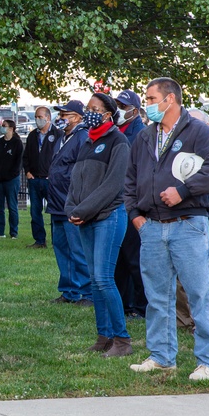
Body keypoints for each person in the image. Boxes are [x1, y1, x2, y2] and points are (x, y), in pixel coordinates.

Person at [125, 77, 209, 379]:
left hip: (188, 225)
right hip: (152, 228)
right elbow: (129, 179)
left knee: (200, 294)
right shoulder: (146, 136)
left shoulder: (198, 131)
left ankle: (208, 362)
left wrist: (184, 190)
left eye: (151, 98)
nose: (148, 104)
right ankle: (161, 357)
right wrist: (136, 217)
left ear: (169, 99)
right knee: (157, 297)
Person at [66, 93, 132, 357]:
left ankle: (122, 340)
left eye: (94, 109)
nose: (88, 112)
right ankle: (103, 336)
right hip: (85, 218)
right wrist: (72, 209)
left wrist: (84, 210)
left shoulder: (119, 141)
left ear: (107, 114)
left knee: (104, 279)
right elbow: (76, 181)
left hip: (108, 216)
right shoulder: (87, 142)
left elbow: (113, 185)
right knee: (94, 281)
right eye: (87, 108)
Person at [48, 100, 92, 305]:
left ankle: (87, 292)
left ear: (78, 117)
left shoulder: (82, 137)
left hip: (71, 201)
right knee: (62, 249)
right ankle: (69, 290)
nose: (61, 118)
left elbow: (82, 170)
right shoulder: (62, 138)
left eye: (65, 114)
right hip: (57, 203)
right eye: (60, 114)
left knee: (78, 250)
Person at [113, 90, 147, 318]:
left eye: (123, 106)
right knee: (120, 259)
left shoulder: (140, 134)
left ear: (134, 110)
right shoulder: (118, 131)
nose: (119, 110)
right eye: (117, 105)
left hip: (133, 203)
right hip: (118, 203)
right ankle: (124, 304)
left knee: (135, 258)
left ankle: (141, 305)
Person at [23, 106, 62, 248]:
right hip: (34, 179)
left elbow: (61, 156)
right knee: (35, 212)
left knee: (54, 211)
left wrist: (54, 174)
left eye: (40, 117)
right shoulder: (33, 135)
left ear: (48, 118)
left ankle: (56, 241)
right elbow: (26, 156)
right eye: (36, 117)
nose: (38, 120)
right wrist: (28, 171)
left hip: (50, 180)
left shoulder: (58, 134)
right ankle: (39, 240)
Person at [0, 118, 24, 239]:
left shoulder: (17, 143)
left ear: (11, 128)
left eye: (4, 125)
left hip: (11, 180)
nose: (2, 127)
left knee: (12, 206)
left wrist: (11, 174)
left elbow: (18, 162)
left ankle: (14, 232)